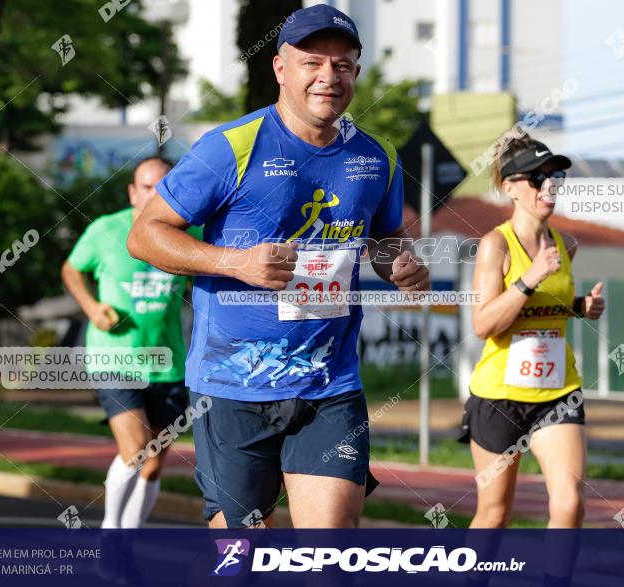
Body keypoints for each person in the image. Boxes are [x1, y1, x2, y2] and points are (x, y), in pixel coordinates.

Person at [127, 4, 429, 529]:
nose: (327, 78)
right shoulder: (231, 147)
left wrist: (401, 265)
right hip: (233, 386)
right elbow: (145, 235)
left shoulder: (377, 156)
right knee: (238, 559)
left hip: (330, 385)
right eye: (313, 62)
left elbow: (383, 239)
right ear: (281, 68)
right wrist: (233, 261)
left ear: (356, 72)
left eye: (342, 65)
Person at [459, 134, 605, 530]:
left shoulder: (565, 244)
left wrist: (579, 308)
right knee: (494, 514)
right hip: (499, 397)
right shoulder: (496, 245)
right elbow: (484, 324)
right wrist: (530, 278)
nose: (549, 186)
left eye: (555, 176)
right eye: (537, 178)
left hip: (557, 392)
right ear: (510, 187)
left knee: (570, 505)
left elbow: (546, 307)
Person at [62, 156, 200, 529]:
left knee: (153, 462)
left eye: (164, 186)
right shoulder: (106, 231)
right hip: (115, 359)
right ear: (132, 192)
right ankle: (112, 535)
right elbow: (72, 269)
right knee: (135, 449)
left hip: (168, 362)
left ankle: (130, 537)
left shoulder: (189, 233)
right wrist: (91, 306)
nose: (155, 193)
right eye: (146, 186)